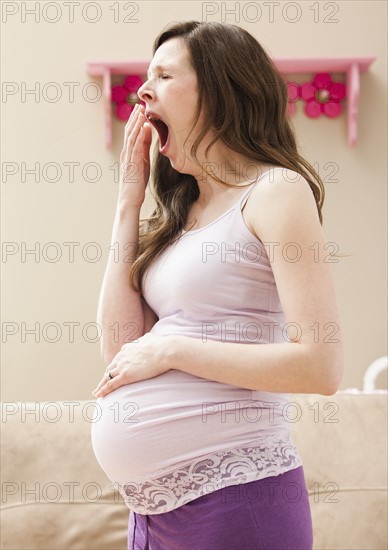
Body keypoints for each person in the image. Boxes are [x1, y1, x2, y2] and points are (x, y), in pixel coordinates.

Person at [91, 20, 344, 550]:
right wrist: (126, 205)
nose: (143, 90)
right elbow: (120, 351)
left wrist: (172, 349)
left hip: (238, 500)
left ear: (219, 90)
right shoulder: (185, 217)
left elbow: (321, 365)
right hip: (154, 516)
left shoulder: (275, 190)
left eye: (163, 74)